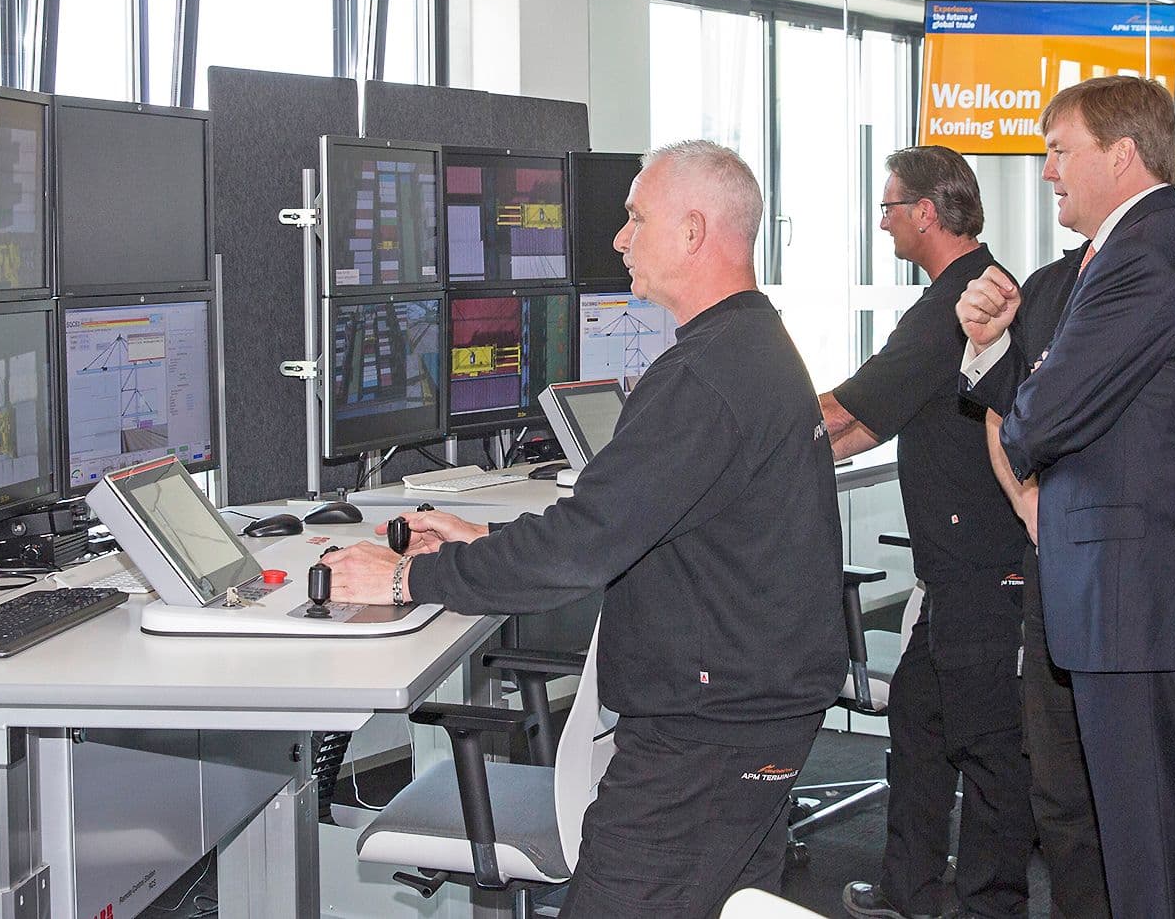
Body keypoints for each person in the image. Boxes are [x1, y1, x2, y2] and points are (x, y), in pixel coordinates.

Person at [323, 139, 846, 919]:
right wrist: (479, 540)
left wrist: (404, 577)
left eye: (636, 217)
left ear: (694, 231)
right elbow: (629, 519)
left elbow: (583, 545)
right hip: (752, 707)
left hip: (709, 731)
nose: (619, 237)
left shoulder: (705, 375)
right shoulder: (750, 347)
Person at [956, 75, 1175, 917]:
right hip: (1140, 603)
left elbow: (1037, 423)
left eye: (1060, 151)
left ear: (1121, 156)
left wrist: (1031, 387)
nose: (1048, 170)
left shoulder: (1142, 258)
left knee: (1158, 859)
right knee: (1145, 847)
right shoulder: (1139, 252)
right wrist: (995, 353)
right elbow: (1057, 401)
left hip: (1145, 609)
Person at [818, 146, 1032, 919]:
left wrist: (738, 428)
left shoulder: (959, 301)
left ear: (926, 215)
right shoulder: (983, 285)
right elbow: (857, 426)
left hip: (983, 570)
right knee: (918, 726)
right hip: (955, 570)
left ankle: (988, 906)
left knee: (990, 756)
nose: (883, 223)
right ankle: (907, 891)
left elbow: (849, 415)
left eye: (888, 208)